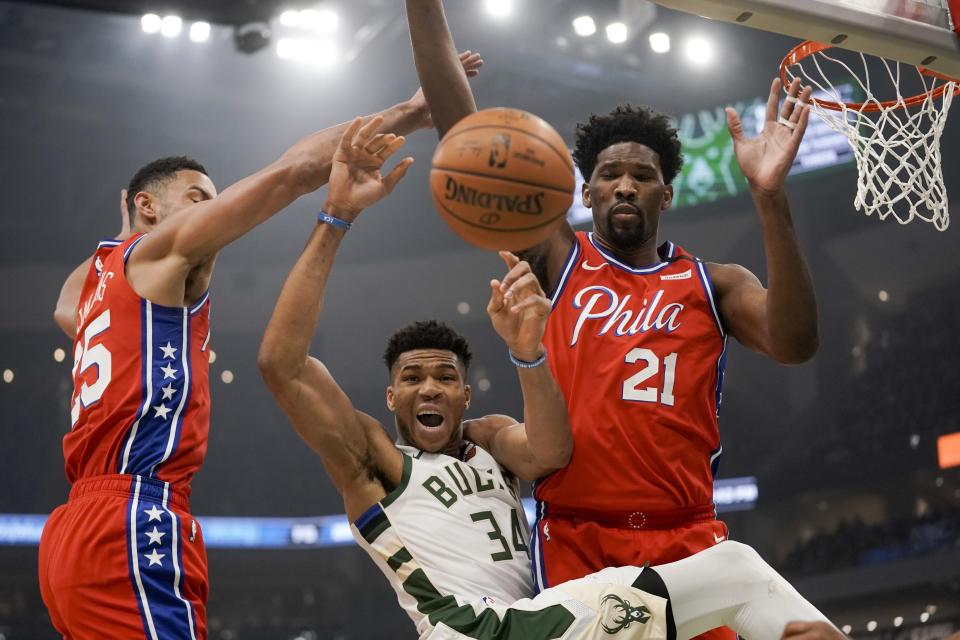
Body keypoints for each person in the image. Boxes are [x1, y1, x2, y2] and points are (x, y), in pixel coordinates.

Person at [256, 113, 842, 640]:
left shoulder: (493, 447)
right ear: (388, 396)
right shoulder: (376, 460)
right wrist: (336, 216)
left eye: (444, 377)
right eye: (411, 379)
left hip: (548, 611)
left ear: (467, 392)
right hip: (489, 625)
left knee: (735, 579)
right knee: (738, 572)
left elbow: (552, 450)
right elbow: (283, 366)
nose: (429, 388)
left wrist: (529, 355)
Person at [403, 5, 819, 638]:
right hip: (577, 537)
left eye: (643, 176)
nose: (625, 185)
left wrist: (770, 197)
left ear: (665, 194)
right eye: (609, 175)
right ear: (585, 192)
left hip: (689, 533)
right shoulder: (557, 259)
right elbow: (467, 140)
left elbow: (795, 343)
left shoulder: (715, 282)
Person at [38, 55, 482, 640]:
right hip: (133, 515)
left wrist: (124, 228)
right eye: (199, 197)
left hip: (72, 529)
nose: (212, 211)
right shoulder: (155, 258)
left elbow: (62, 306)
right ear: (148, 206)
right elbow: (294, 171)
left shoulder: (94, 291)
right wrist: (410, 113)